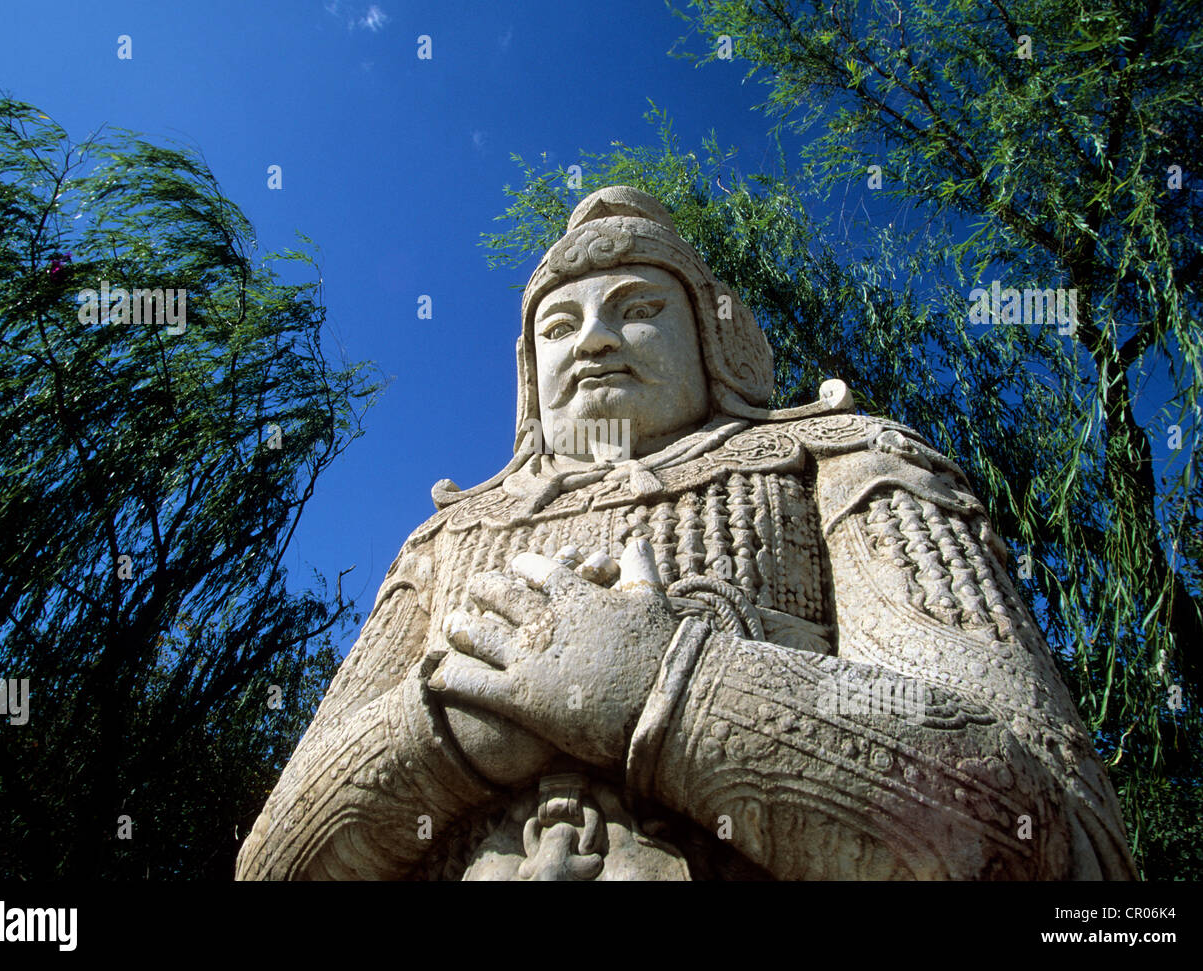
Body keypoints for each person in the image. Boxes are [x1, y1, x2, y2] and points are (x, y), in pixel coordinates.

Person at [236, 186, 1135, 880]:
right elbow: (270, 863)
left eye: (637, 308)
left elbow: (1055, 838)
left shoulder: (848, 463)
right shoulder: (442, 542)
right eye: (558, 323)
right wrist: (447, 735)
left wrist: (663, 687)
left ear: (713, 335)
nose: (591, 340)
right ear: (527, 372)